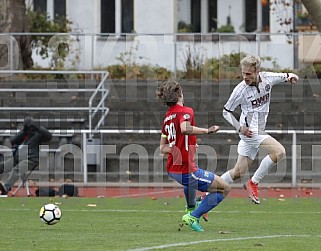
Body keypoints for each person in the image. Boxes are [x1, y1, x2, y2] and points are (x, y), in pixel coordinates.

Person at [220, 55, 299, 204]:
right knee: (279, 151)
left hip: (255, 132)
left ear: (257, 71)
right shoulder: (240, 90)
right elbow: (226, 111)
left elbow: (287, 75)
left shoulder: (268, 78)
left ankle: (205, 195)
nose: (245, 77)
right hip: (250, 131)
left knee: (237, 172)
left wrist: (292, 78)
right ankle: (253, 183)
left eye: (248, 74)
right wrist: (240, 128)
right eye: (243, 73)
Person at [156, 80, 231, 232]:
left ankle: (191, 208)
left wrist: (181, 147)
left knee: (191, 184)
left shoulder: (167, 118)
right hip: (186, 170)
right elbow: (184, 129)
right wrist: (207, 131)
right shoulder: (185, 111)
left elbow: (163, 148)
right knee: (224, 188)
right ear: (179, 95)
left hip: (172, 169)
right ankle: (193, 216)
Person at [0, 116, 52, 195]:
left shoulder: (38, 134)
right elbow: (13, 141)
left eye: (30, 126)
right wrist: (23, 131)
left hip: (31, 159)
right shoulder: (24, 133)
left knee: (16, 169)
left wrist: (38, 128)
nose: (29, 129)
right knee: (2, 166)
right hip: (17, 157)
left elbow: (49, 136)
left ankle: (6, 187)